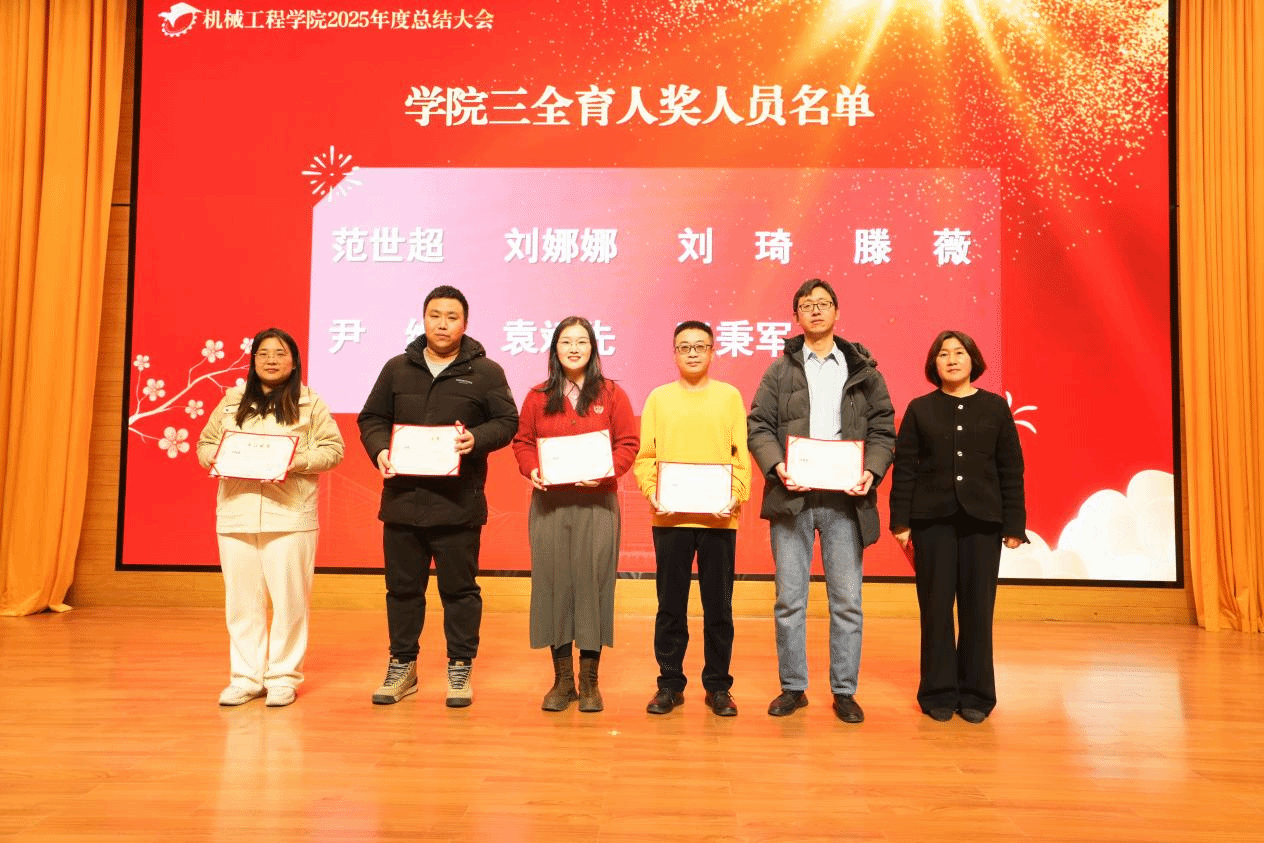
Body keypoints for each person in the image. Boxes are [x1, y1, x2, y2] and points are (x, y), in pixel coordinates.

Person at [357, 285, 519, 707]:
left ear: (465, 324)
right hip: (402, 501)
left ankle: (460, 666)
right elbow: (372, 418)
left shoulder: (486, 372)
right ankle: (402, 665)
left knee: (460, 591)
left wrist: (476, 439)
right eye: (435, 315)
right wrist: (380, 450)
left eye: (451, 317)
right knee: (402, 591)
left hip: (458, 504)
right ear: (423, 319)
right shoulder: (396, 368)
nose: (442, 324)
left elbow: (507, 421)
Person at [748, 278, 896, 724]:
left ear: (836, 312)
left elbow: (884, 429)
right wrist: (777, 466)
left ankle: (844, 691)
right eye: (806, 305)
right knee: (789, 600)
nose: (815, 310)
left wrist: (871, 470)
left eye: (823, 303)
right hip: (793, 496)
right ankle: (793, 687)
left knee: (847, 601)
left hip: (845, 502)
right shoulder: (779, 371)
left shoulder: (864, 370)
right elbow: (758, 425)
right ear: (796, 315)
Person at [196, 327, 345, 707]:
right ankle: (246, 677)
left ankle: (282, 677)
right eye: (263, 353)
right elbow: (205, 443)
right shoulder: (232, 400)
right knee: (242, 602)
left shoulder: (310, 402)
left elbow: (333, 449)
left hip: (290, 515)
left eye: (280, 353)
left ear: (293, 361)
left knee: (290, 601)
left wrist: (296, 461)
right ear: (253, 360)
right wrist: (215, 457)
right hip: (236, 512)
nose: (271, 360)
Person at [888, 330, 1027, 724]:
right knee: (935, 610)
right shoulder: (920, 409)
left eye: (959, 353)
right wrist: (901, 522)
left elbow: (1010, 468)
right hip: (931, 524)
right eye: (943, 354)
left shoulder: (995, 408)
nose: (951, 359)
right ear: (934, 364)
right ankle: (938, 692)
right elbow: (905, 469)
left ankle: (977, 695)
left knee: (978, 610)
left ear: (973, 360)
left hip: (984, 524)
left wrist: (1014, 524)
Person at [511, 317, 639, 712]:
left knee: (593, 585)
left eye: (582, 341)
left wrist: (607, 471)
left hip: (597, 505)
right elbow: (522, 442)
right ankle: (562, 680)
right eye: (566, 342)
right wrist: (532, 468)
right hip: (550, 506)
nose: (574, 348)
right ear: (555, 349)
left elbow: (628, 443)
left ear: (593, 349)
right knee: (554, 586)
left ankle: (590, 681)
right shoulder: (537, 396)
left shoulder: (612, 394)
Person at [633, 321, 750, 717]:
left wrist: (735, 495)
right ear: (675, 353)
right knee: (670, 606)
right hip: (671, 520)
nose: (693, 353)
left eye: (700, 346)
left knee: (719, 608)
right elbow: (646, 456)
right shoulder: (658, 398)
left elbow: (741, 455)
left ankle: (718, 687)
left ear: (713, 351)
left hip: (719, 520)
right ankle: (669, 684)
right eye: (685, 347)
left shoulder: (729, 397)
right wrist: (653, 492)